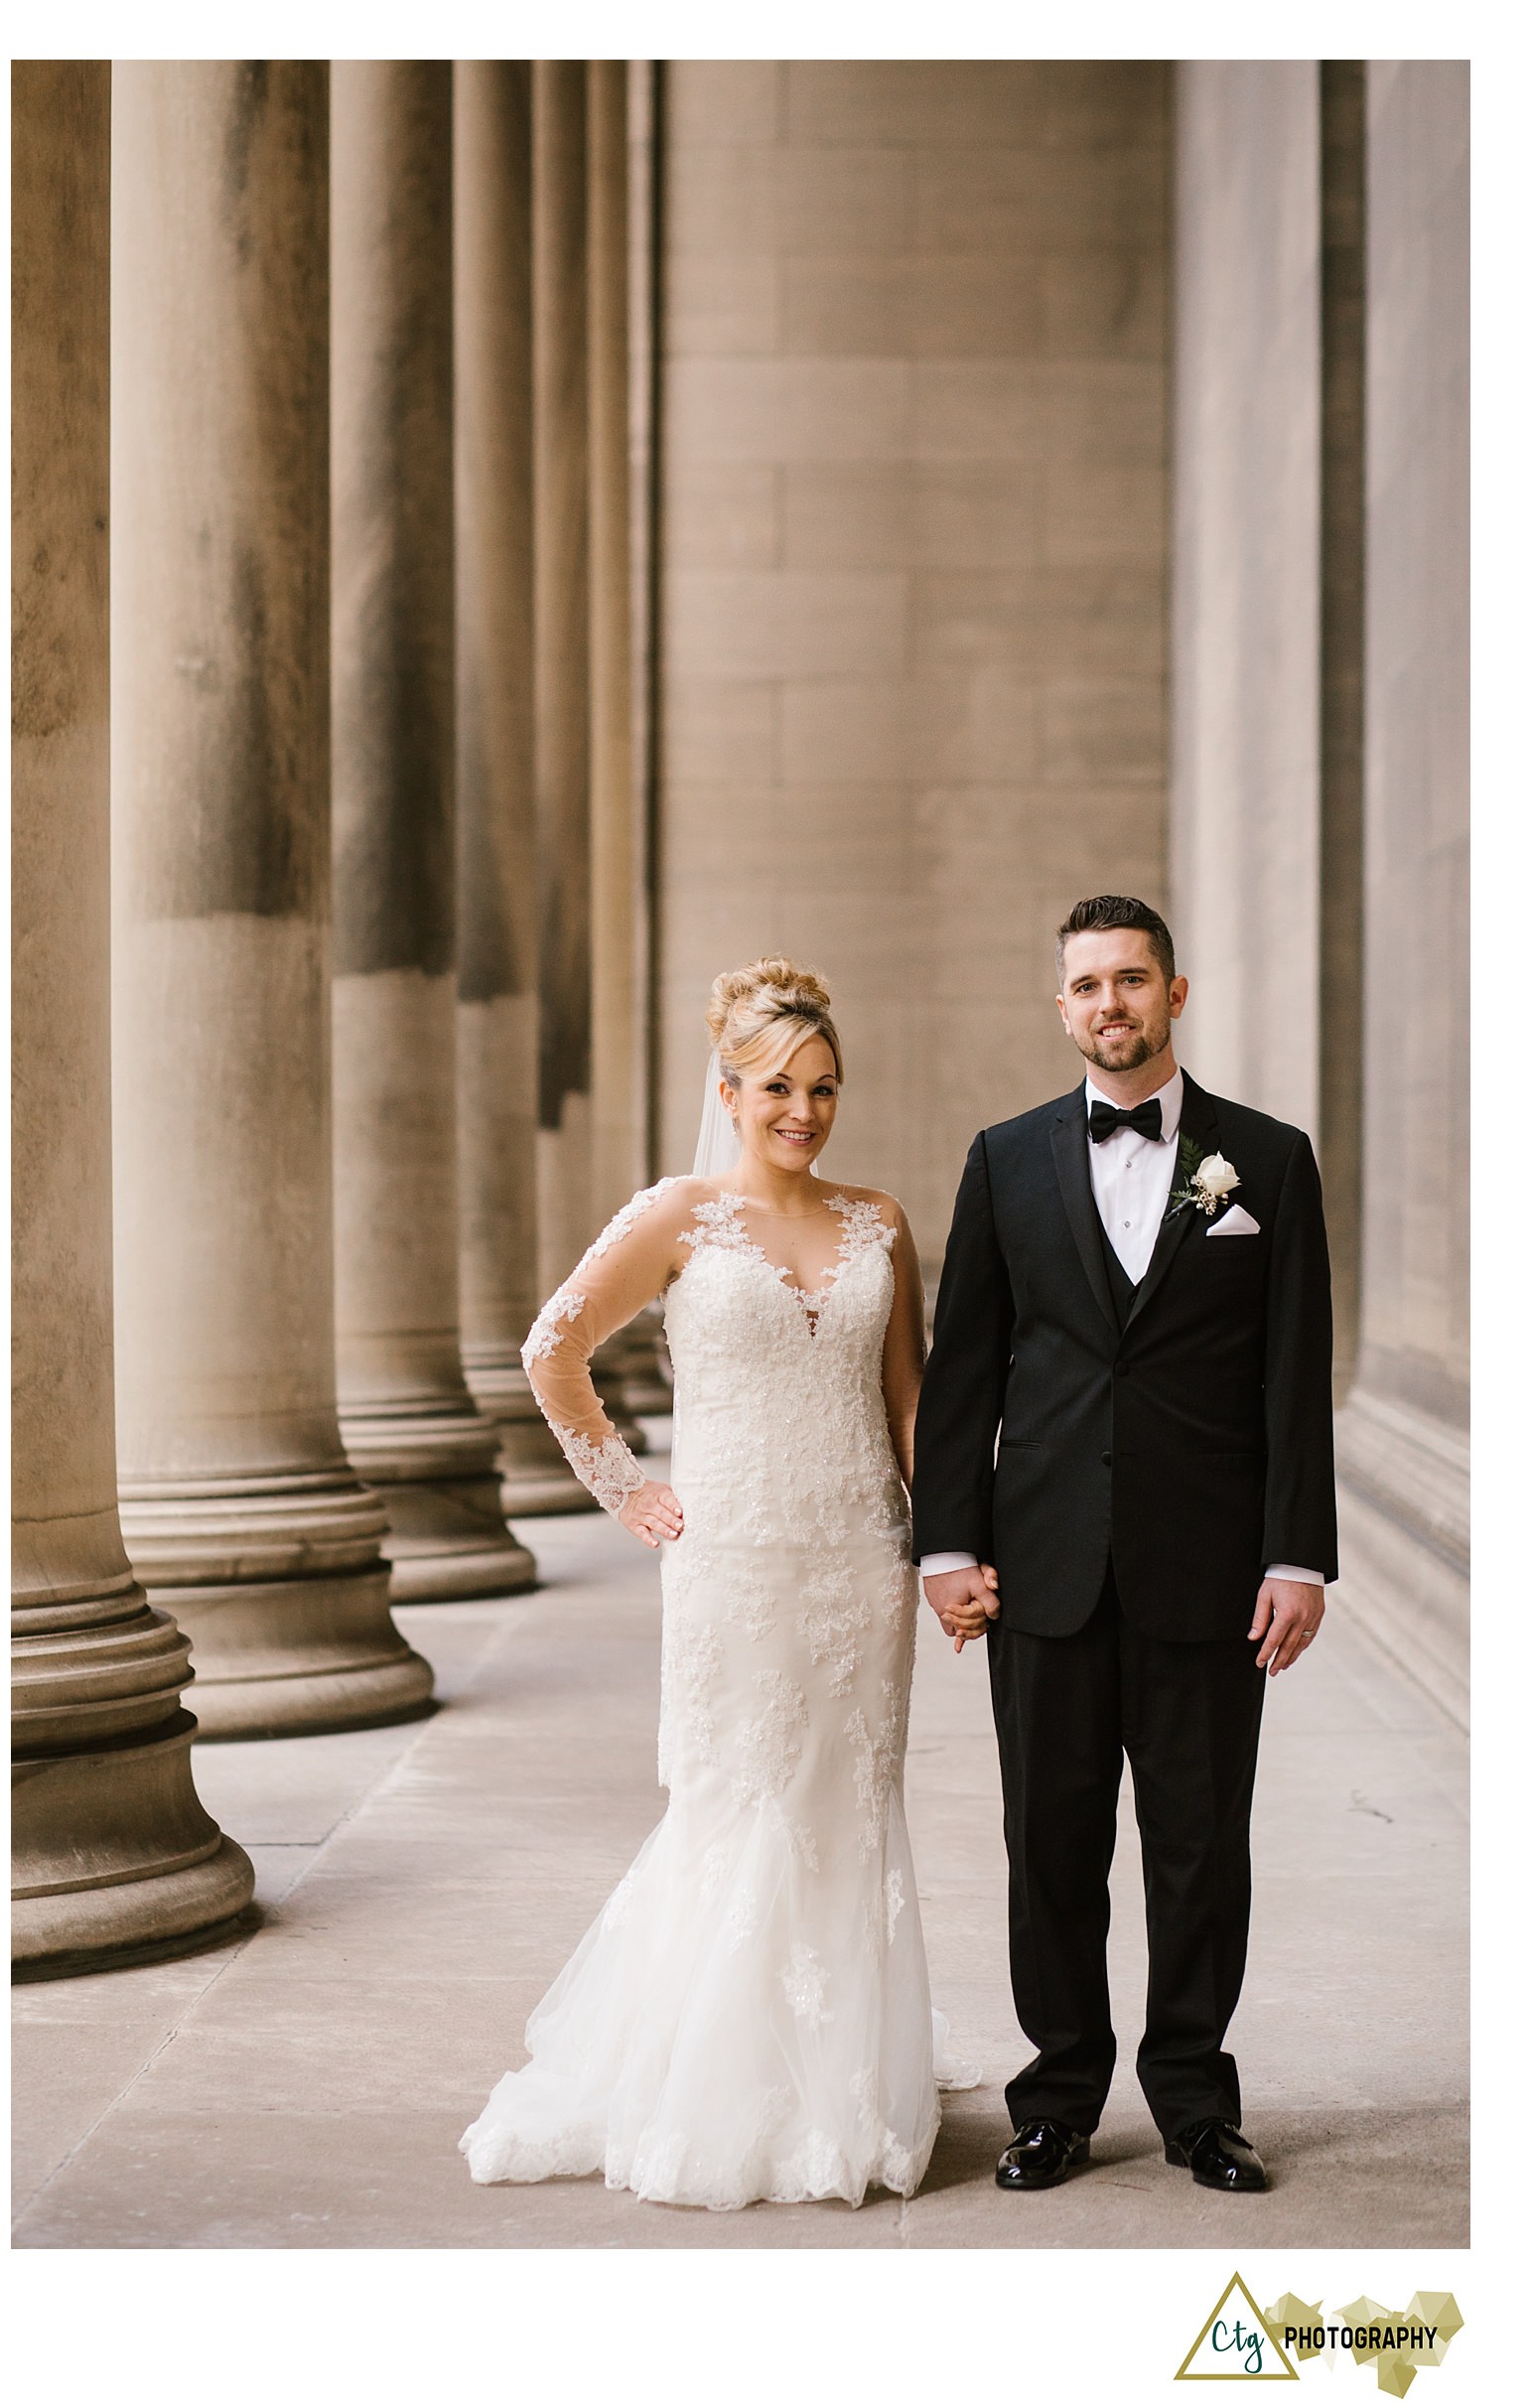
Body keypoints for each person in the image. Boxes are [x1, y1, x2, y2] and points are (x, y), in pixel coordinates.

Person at [459, 957, 977, 2211]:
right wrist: (625, 1484)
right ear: (732, 1090)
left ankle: (839, 2082)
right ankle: (717, 2086)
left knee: (847, 1809)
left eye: (826, 1087)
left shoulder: (881, 1223)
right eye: (780, 1087)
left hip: (858, 1554)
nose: (805, 1110)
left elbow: (912, 1400)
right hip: (734, 1561)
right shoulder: (679, 1217)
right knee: (741, 1808)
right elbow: (553, 1346)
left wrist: (949, 1543)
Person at [913, 895, 1336, 2196]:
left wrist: (1295, 1556)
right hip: (1038, 1563)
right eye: (1087, 984)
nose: (1111, 1002)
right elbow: (965, 1368)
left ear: (1174, 993)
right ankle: (1054, 2097)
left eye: (1132, 980)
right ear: (1061, 1008)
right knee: (1047, 1840)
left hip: (1208, 1571)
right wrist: (945, 1545)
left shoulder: (1263, 1163)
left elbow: (1290, 1373)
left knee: (1200, 1843)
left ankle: (1197, 2101)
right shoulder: (1002, 1158)